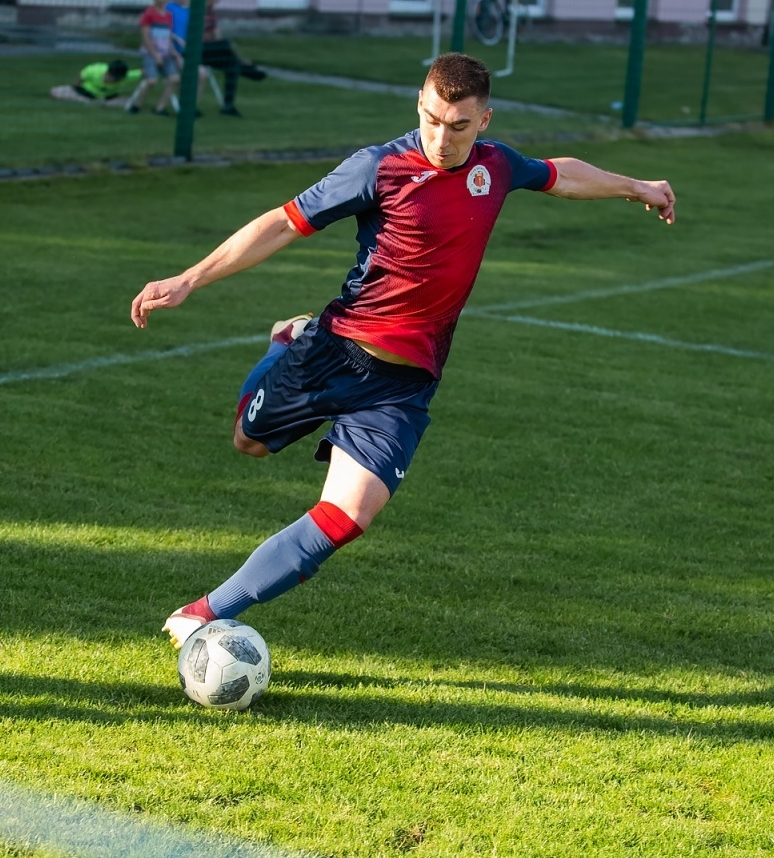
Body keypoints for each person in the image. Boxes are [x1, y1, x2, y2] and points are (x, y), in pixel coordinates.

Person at [128, 52, 676, 648]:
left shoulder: (495, 168)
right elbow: (284, 223)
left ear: (485, 121)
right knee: (249, 443)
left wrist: (638, 187)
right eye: (431, 119)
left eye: (458, 126)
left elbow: (558, 173)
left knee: (346, 517)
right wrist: (190, 277)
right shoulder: (378, 167)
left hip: (406, 383)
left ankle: (203, 613)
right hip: (334, 353)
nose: (441, 137)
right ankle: (285, 343)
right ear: (420, 104)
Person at [196, 0, 266, 117]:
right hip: (197, 51)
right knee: (227, 45)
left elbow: (216, 35)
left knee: (232, 66)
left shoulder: (211, 13)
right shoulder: (197, 11)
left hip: (210, 50)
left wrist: (216, 41)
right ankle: (248, 69)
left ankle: (228, 107)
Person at [124, 0, 180, 116]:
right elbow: (146, 37)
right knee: (152, 80)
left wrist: (174, 52)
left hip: (165, 53)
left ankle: (160, 107)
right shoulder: (149, 13)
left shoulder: (168, 16)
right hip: (151, 52)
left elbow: (167, 36)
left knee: (174, 79)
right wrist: (155, 54)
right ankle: (137, 105)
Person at [49, 60, 141, 106]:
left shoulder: (127, 76)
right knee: (55, 92)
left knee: (131, 102)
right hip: (86, 93)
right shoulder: (94, 70)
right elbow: (80, 79)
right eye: (114, 78)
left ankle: (95, 102)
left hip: (109, 97)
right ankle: (90, 101)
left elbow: (143, 72)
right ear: (108, 73)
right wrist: (76, 89)